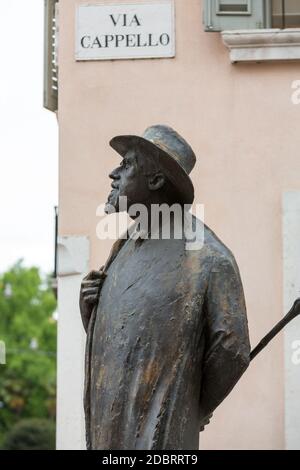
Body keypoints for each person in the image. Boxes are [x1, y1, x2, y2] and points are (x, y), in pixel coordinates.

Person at [79, 125, 250, 450]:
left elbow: (232, 348)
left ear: (156, 180)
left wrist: (191, 402)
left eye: (127, 164)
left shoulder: (207, 257)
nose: (113, 173)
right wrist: (92, 310)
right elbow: (128, 342)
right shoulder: (124, 246)